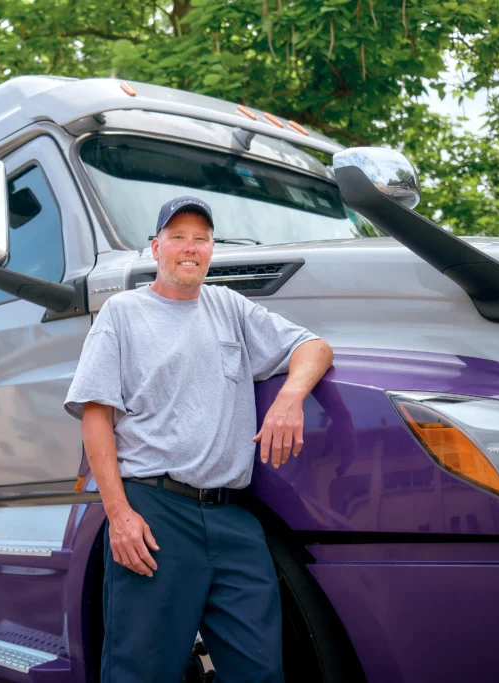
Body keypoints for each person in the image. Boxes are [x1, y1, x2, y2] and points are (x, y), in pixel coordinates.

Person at [64, 196, 334, 683]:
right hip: (155, 515)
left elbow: (313, 347)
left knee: (261, 672)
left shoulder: (229, 307)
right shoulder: (122, 313)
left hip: (235, 520)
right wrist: (120, 516)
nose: (190, 248)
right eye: (178, 237)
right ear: (155, 248)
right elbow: (95, 418)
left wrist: (289, 398)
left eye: (201, 239)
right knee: (142, 673)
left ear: (211, 249)